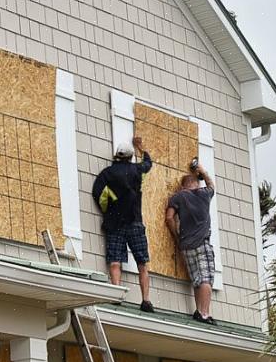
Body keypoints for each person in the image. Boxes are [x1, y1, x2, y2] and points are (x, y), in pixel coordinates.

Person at [92, 136, 155, 312]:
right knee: (142, 262)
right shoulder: (137, 170)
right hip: (134, 221)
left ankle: (116, 296)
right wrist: (141, 148)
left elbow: (98, 194)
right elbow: (148, 164)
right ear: (130, 157)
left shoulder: (106, 174)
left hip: (115, 223)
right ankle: (146, 301)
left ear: (116, 156)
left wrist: (108, 209)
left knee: (115, 261)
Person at [165, 163, 216, 325]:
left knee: (196, 279)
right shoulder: (204, 194)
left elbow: (169, 218)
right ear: (196, 184)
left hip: (186, 245)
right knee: (206, 279)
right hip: (202, 243)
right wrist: (203, 171)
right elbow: (211, 184)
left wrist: (177, 236)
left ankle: (198, 311)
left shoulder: (178, 196)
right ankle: (204, 313)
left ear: (183, 185)